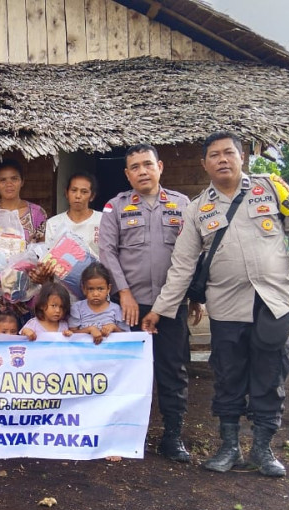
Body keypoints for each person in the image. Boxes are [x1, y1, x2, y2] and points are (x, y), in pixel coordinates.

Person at [142, 132, 289, 477]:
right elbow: (182, 266)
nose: (222, 160)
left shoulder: (273, 188)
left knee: (271, 373)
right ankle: (229, 447)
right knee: (228, 375)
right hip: (226, 306)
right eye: (214, 155)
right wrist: (160, 310)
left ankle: (263, 450)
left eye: (229, 153)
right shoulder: (197, 209)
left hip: (272, 301)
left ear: (242, 157)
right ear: (204, 164)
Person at [99, 143, 196, 462]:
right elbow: (108, 252)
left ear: (160, 167)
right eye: (135, 167)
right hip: (131, 306)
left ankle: (172, 436)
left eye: (147, 164)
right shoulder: (115, 207)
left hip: (170, 305)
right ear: (127, 174)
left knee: (172, 370)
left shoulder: (182, 205)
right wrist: (123, 291)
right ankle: (121, 434)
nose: (142, 170)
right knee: (125, 372)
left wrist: (193, 294)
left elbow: (194, 253)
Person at [0, 159, 48, 331]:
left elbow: (41, 252)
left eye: (14, 179)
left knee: (23, 349)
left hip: (25, 295)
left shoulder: (37, 214)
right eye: (3, 180)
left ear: (22, 182)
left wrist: (39, 273)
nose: (9, 184)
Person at [68, 263, 129, 344]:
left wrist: (114, 328)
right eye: (91, 289)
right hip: (83, 353)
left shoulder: (116, 309)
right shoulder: (77, 308)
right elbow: (71, 335)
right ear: (83, 289)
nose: (96, 294)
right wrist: (89, 329)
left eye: (100, 289)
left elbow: (128, 337)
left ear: (108, 288)